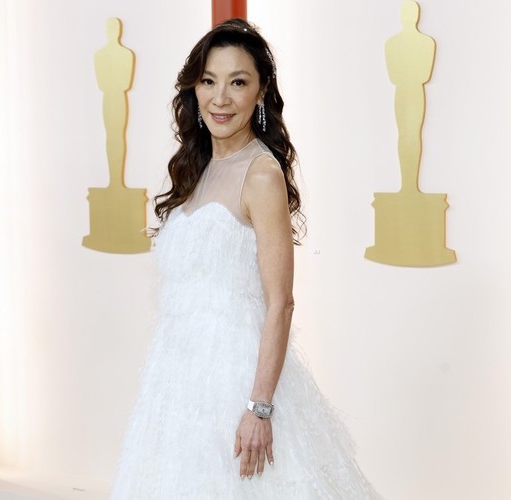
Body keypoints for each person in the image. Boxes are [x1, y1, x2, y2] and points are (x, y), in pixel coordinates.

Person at [109, 18, 380, 499]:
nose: (221, 98)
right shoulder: (197, 169)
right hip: (175, 381)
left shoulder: (261, 175)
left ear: (260, 93)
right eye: (209, 81)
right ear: (194, 89)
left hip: (236, 381)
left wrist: (259, 408)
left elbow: (281, 304)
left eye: (238, 82)